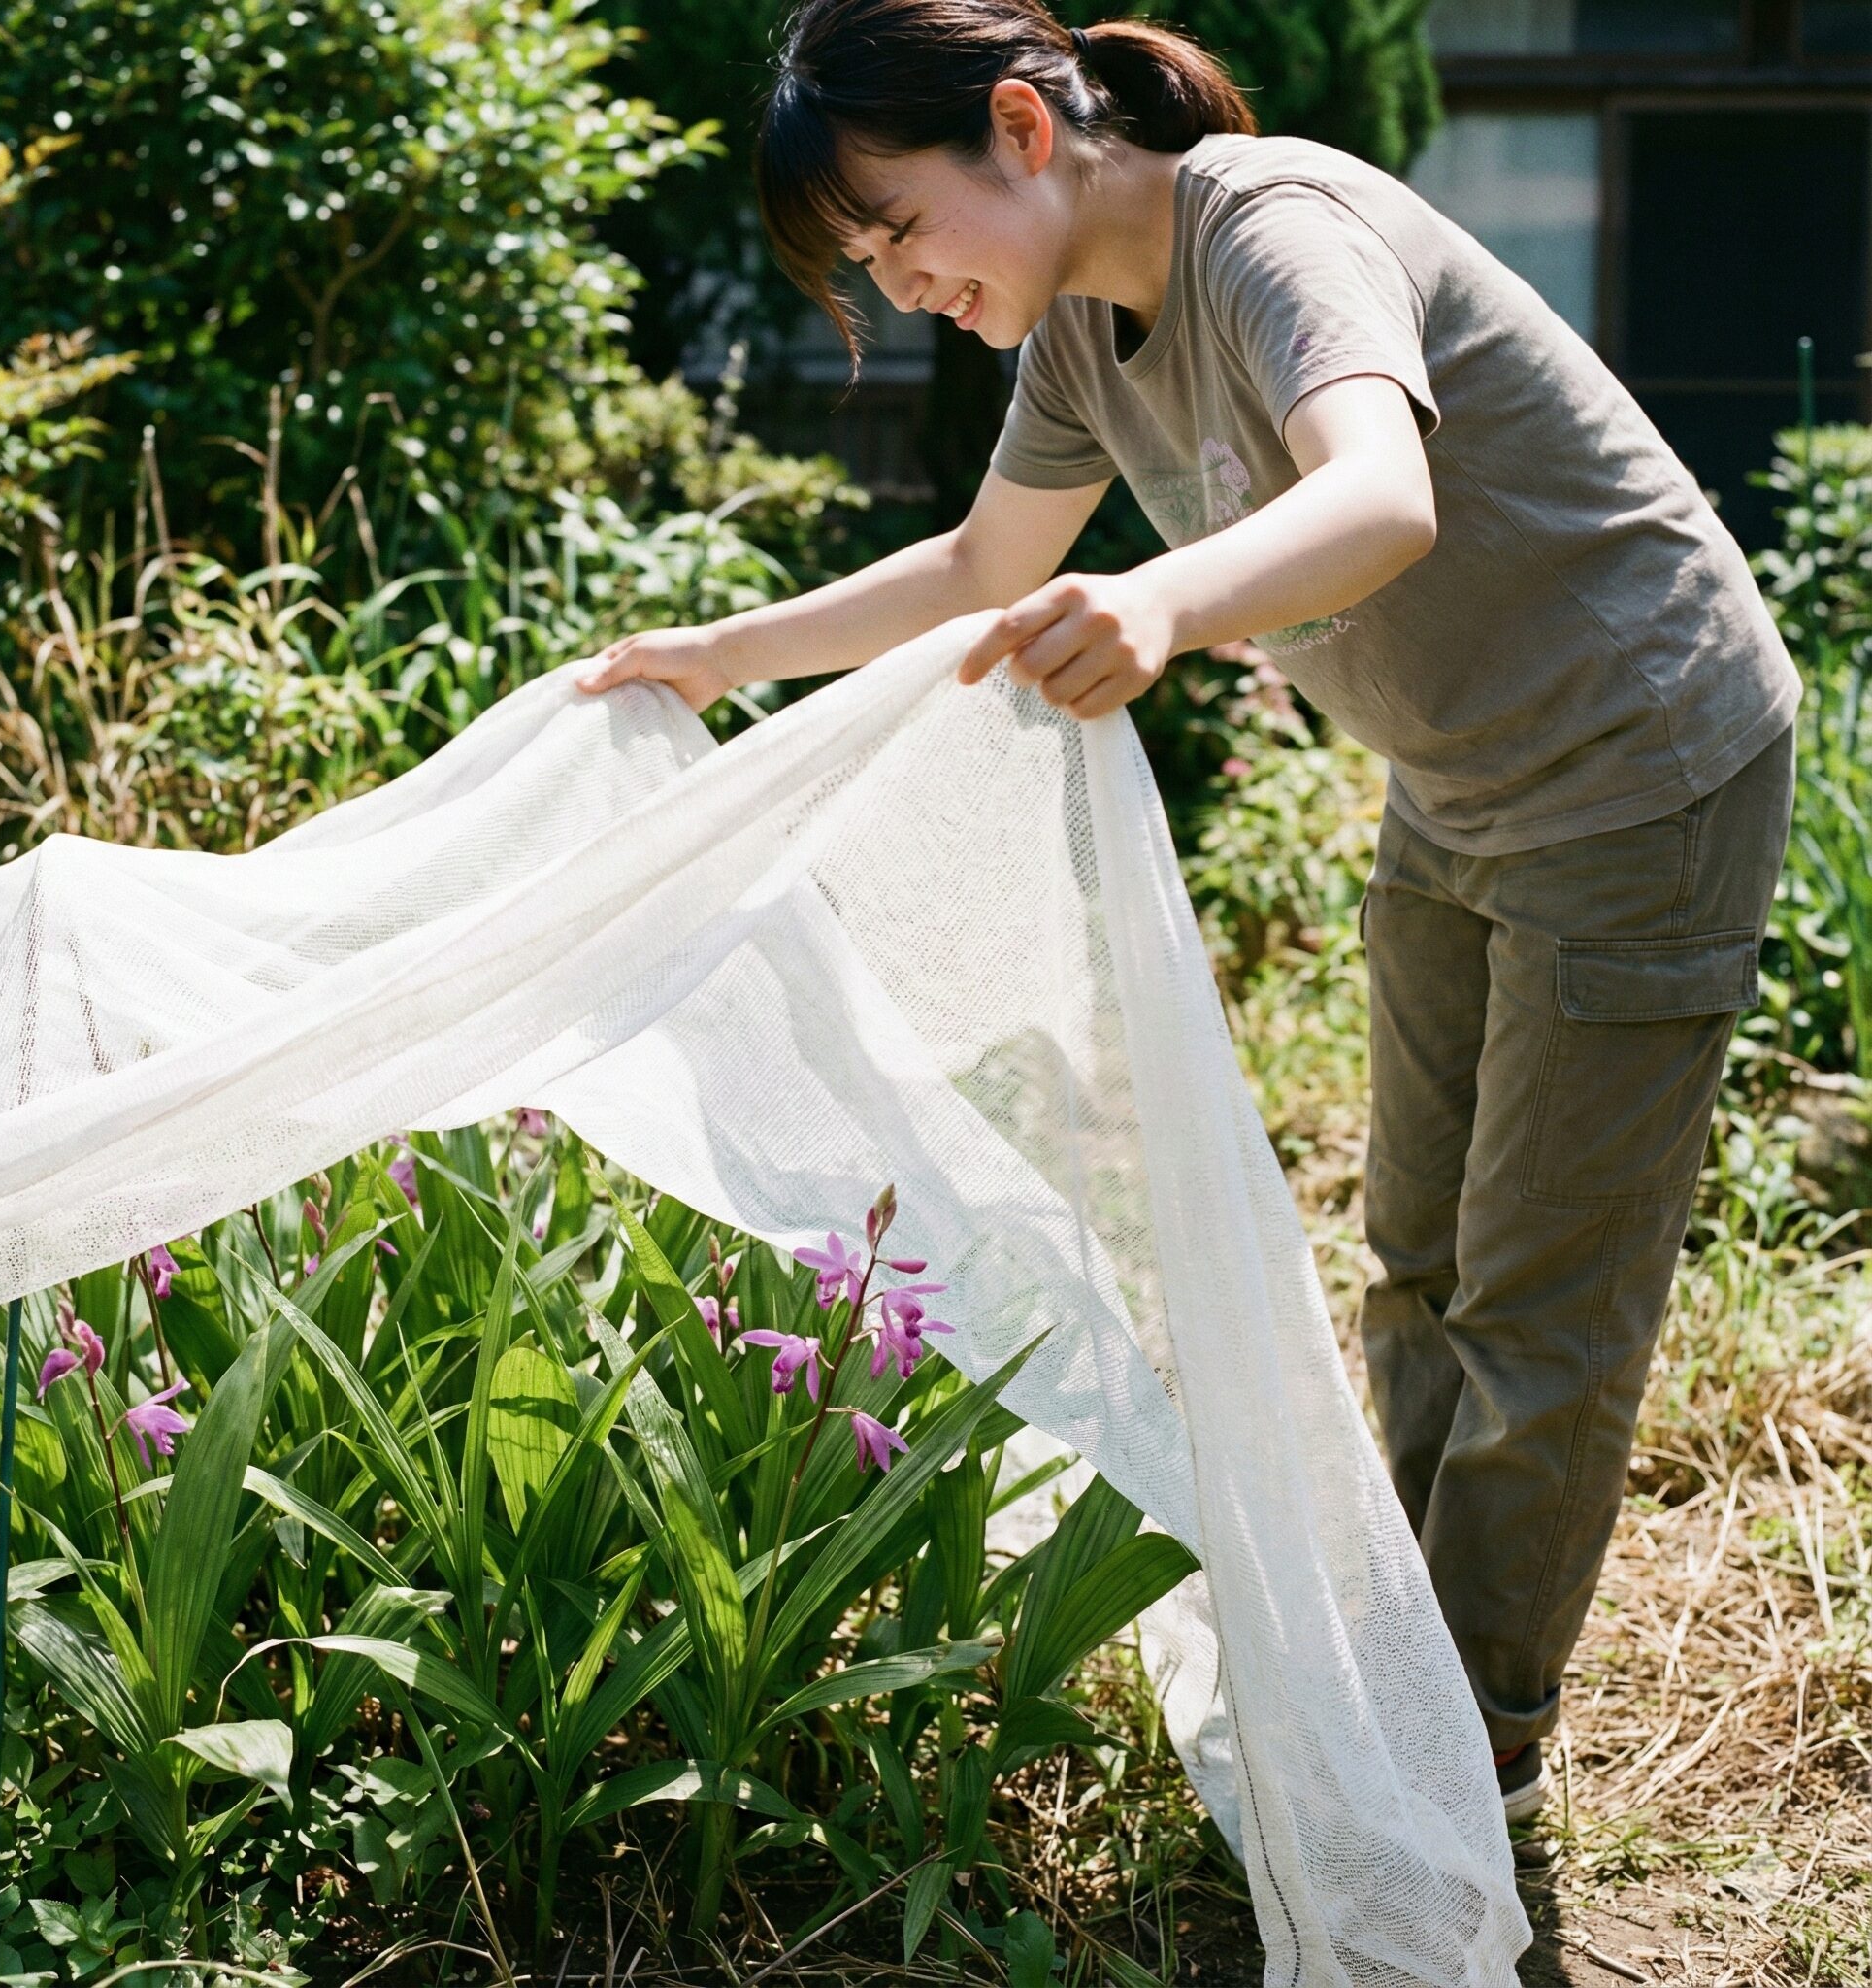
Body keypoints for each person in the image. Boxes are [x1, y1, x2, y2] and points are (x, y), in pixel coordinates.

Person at [575, 0, 1799, 1826]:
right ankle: (1402, 1676)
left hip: (1644, 766)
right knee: (1417, 1264)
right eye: (865, 264)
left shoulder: (1272, 223)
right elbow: (988, 565)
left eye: (898, 228)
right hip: (1462, 781)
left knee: (1539, 1309)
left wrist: (1161, 608)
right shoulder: (1079, 331)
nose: (901, 282)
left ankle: (1468, 1754)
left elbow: (1380, 493)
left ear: (1020, 125)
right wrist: (707, 657)